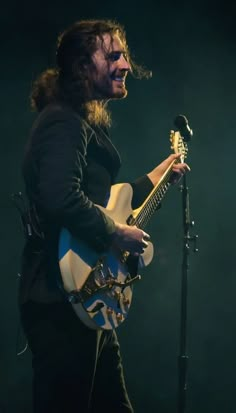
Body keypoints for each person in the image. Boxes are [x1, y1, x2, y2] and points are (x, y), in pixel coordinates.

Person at [19, 19, 189, 413]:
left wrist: (157, 178)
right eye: (113, 55)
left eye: (124, 55)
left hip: (88, 297)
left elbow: (107, 200)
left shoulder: (75, 122)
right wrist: (115, 234)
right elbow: (60, 198)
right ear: (81, 67)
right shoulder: (64, 120)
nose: (126, 65)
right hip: (62, 299)